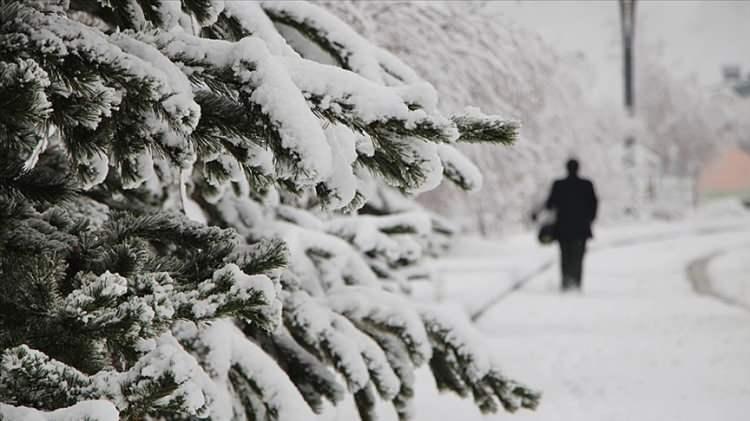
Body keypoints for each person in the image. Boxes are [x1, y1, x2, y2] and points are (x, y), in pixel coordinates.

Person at [544, 158, 598, 291]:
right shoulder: (587, 184)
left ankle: (566, 282)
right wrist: (589, 219)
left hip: (563, 228)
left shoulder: (559, 184)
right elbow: (594, 204)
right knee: (578, 256)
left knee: (565, 255)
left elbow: (550, 204)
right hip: (581, 228)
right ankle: (576, 283)